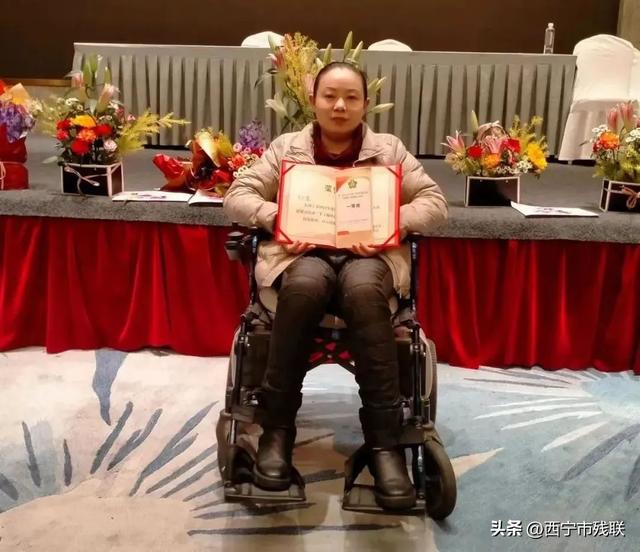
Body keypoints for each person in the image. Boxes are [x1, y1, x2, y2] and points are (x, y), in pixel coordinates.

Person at [223, 62, 448, 510]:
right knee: (304, 287)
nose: (339, 105)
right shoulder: (286, 148)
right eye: (330, 96)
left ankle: (384, 446)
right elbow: (237, 195)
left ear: (366, 104)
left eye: (350, 97)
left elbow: (435, 202)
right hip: (301, 255)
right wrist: (278, 217)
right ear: (314, 100)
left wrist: (390, 222)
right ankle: (276, 432)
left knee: (364, 292)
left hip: (370, 258)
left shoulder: (389, 149)